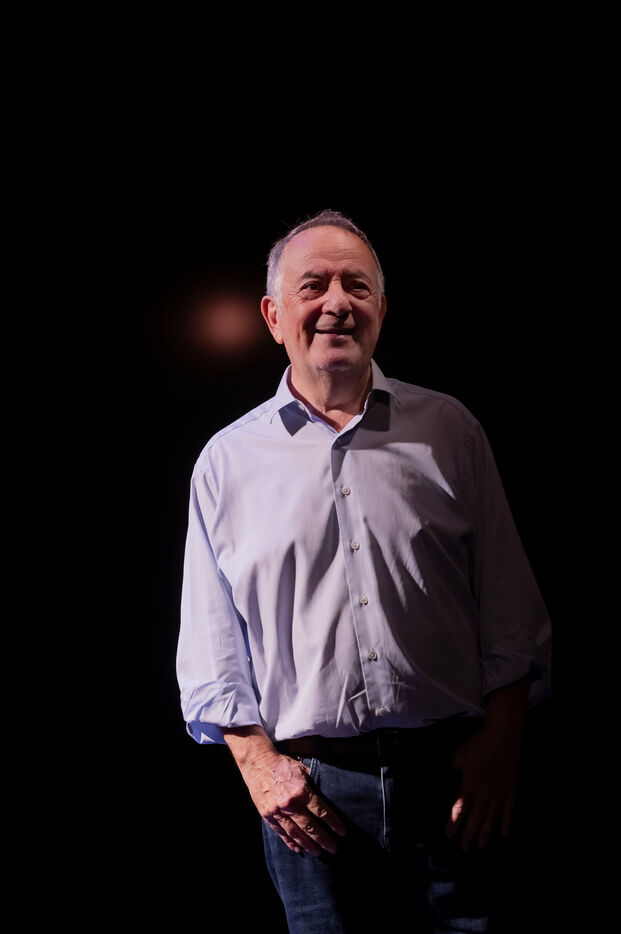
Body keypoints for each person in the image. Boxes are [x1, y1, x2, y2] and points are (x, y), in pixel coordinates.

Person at [176, 209, 552, 932]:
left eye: (356, 285)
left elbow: (512, 613)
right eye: (313, 286)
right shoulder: (227, 462)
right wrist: (258, 767)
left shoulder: (449, 431)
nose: (336, 303)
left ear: (381, 308)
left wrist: (501, 747)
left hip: (456, 787)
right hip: (311, 808)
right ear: (273, 316)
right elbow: (210, 644)